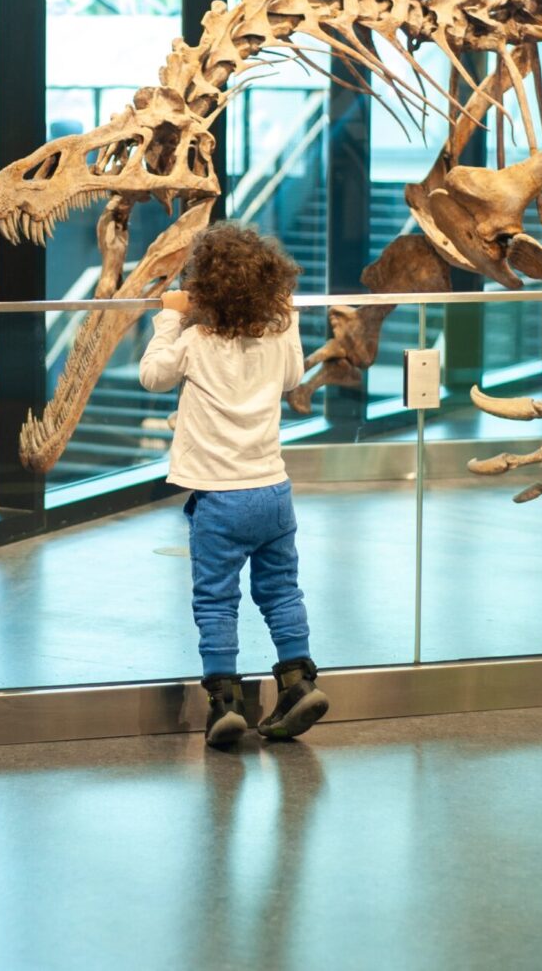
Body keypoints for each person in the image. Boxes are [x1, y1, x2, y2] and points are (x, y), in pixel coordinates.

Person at [138, 221, 329, 749]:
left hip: (219, 499)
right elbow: (293, 378)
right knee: (281, 590)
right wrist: (286, 318)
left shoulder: (197, 342)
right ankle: (298, 682)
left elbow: (152, 375)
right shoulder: (275, 337)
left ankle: (224, 703)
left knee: (217, 600)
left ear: (206, 289)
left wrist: (168, 319)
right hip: (273, 492)